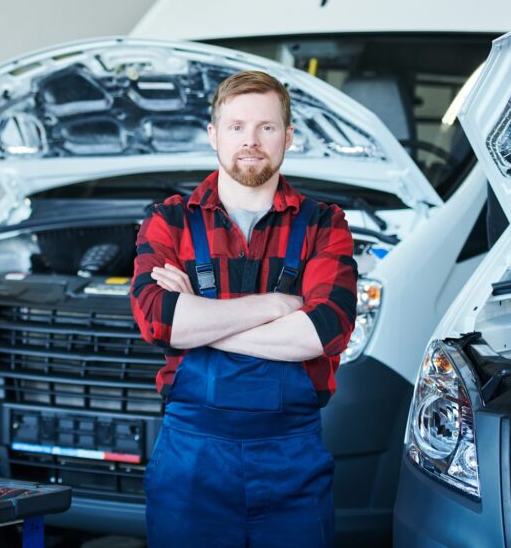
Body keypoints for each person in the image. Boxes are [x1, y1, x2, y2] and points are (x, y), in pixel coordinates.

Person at [130, 70, 358, 547]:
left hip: (291, 463)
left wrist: (198, 316)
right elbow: (158, 319)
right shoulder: (169, 219)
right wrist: (277, 305)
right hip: (191, 463)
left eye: (266, 127)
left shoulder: (324, 223)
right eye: (236, 127)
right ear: (214, 135)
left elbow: (324, 331)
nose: (250, 141)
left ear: (288, 137)